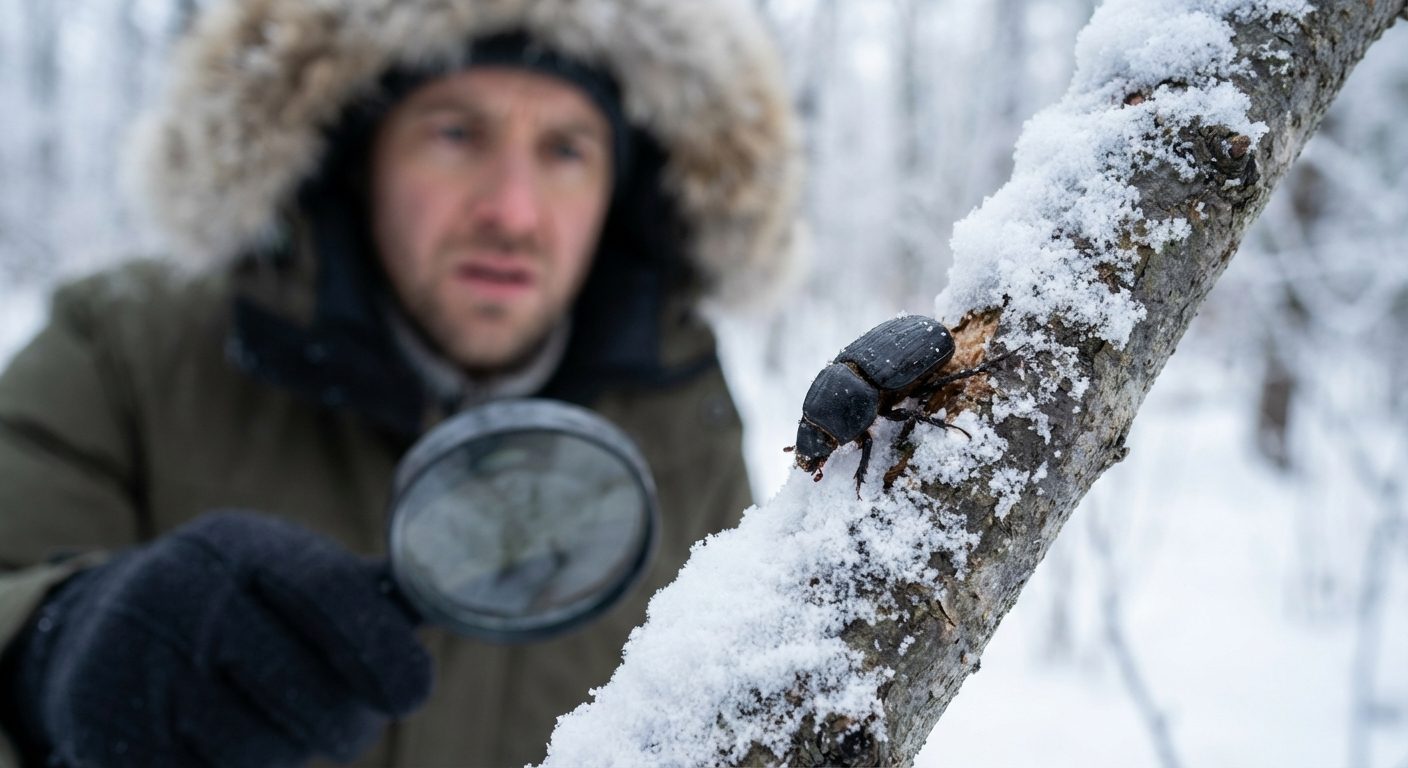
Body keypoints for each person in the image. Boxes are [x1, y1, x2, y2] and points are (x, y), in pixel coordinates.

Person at [0, 0, 801, 765]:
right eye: (456, 133)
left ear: (618, 192)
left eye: (565, 150)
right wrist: (55, 650)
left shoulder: (679, 411)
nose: (513, 213)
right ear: (355, 155)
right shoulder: (125, 353)